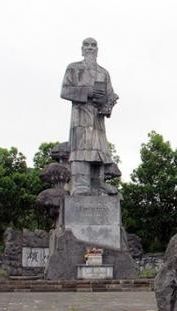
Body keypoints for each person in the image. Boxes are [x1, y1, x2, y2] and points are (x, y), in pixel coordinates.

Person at [60, 37, 119, 195]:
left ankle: (98, 183)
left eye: (93, 45)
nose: (90, 48)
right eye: (87, 45)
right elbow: (65, 91)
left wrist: (108, 104)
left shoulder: (104, 73)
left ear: (97, 50)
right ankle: (80, 185)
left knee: (98, 151)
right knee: (81, 149)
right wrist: (88, 92)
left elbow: (110, 94)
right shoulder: (73, 68)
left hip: (97, 119)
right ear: (82, 49)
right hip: (80, 117)